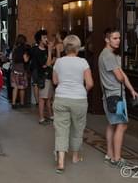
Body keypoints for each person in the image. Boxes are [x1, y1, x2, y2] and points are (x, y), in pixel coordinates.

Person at [52, 34, 93, 174]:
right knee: (77, 128)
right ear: (77, 47)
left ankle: (61, 162)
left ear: (64, 47)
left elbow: (55, 81)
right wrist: (82, 91)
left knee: (61, 130)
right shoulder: (83, 62)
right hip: (79, 100)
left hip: (61, 98)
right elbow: (90, 83)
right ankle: (75, 157)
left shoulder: (59, 62)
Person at [99, 29, 138, 167]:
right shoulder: (108, 56)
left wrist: (131, 89)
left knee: (112, 124)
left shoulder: (109, 55)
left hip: (110, 96)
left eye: (119, 38)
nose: (118, 40)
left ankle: (109, 154)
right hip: (116, 96)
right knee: (122, 125)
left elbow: (121, 74)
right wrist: (120, 72)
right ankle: (117, 158)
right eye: (115, 38)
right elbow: (120, 76)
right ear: (107, 39)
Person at [29, 29, 55, 124]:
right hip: (42, 77)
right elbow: (47, 63)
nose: (46, 39)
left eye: (46, 37)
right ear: (39, 40)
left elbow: (51, 62)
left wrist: (49, 59)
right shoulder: (37, 51)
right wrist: (49, 52)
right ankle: (41, 118)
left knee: (48, 98)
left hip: (48, 76)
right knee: (42, 99)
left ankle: (51, 115)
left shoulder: (46, 50)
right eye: (44, 37)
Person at [10, 34, 30, 108]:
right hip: (22, 71)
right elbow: (25, 60)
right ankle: (22, 103)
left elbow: (12, 58)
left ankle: (13, 103)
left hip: (14, 70)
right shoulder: (24, 49)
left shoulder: (14, 48)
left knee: (15, 87)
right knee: (21, 87)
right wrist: (28, 56)